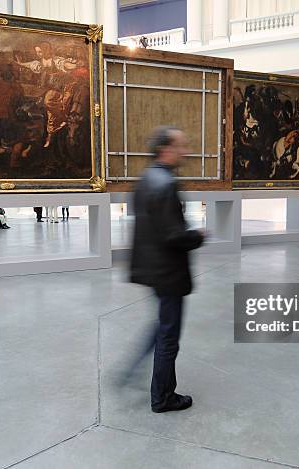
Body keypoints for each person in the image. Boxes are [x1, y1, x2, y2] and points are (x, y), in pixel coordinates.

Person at [129, 126, 205, 413]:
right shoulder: (166, 183)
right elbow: (174, 235)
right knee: (168, 336)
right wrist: (198, 236)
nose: (184, 151)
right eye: (180, 146)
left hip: (152, 267)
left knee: (162, 327)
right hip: (168, 271)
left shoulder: (147, 177)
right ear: (165, 149)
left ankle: (135, 371)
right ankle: (162, 397)